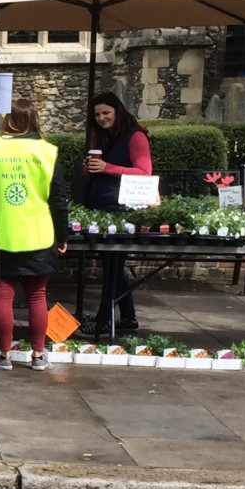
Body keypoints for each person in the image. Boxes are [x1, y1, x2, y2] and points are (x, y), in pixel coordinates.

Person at [0, 100, 69, 372]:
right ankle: (37, 355)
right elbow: (59, 200)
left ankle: (4, 355)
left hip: (3, 234)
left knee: (2, 295)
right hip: (39, 234)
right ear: (35, 120)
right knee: (37, 295)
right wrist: (62, 237)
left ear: (8, 120)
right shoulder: (47, 151)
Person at [80, 92, 153, 334]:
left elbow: (144, 172)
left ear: (117, 111)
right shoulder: (101, 138)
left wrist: (107, 168)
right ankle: (128, 318)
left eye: (106, 113)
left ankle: (104, 321)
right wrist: (89, 170)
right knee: (112, 264)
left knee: (113, 263)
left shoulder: (136, 136)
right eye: (97, 115)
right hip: (100, 208)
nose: (101, 118)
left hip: (121, 209)